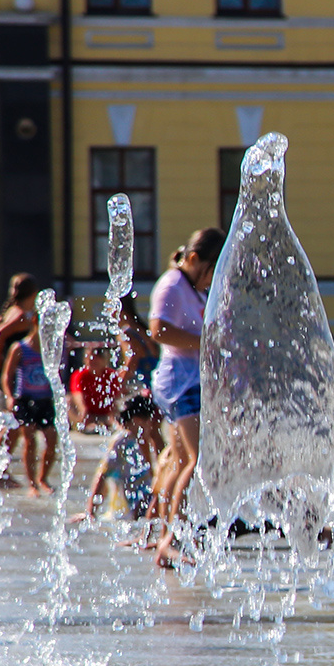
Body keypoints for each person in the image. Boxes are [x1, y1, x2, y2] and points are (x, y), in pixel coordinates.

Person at [149, 228, 221, 565]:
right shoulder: (173, 285)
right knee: (196, 460)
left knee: (178, 461)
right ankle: (171, 538)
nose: (213, 279)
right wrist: (205, 343)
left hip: (181, 382)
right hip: (182, 383)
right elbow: (158, 330)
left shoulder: (191, 289)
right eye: (212, 269)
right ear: (194, 259)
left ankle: (163, 535)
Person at [72, 393, 163, 524]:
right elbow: (102, 475)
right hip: (129, 509)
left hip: (142, 503)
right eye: (148, 421)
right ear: (136, 420)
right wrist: (90, 512)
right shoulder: (122, 442)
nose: (151, 425)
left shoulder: (142, 439)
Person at [0, 273, 40, 488]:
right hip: (13, 376)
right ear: (34, 293)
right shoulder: (20, 316)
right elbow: (0, 334)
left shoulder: (16, 311)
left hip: (15, 374)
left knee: (13, 427)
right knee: (12, 426)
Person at [0, 314, 59, 495]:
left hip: (45, 399)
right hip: (25, 399)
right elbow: (6, 376)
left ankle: (43, 479)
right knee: (30, 440)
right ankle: (32, 483)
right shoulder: (20, 348)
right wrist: (10, 397)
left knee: (51, 440)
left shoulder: (51, 350)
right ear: (35, 322)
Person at [69, 343, 122, 432]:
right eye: (90, 358)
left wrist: (112, 415)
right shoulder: (79, 375)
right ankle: (80, 425)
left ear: (104, 361)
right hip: (87, 412)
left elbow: (116, 397)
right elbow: (77, 396)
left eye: (96, 359)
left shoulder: (111, 375)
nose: (92, 361)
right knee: (67, 400)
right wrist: (84, 413)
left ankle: (113, 424)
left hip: (106, 413)